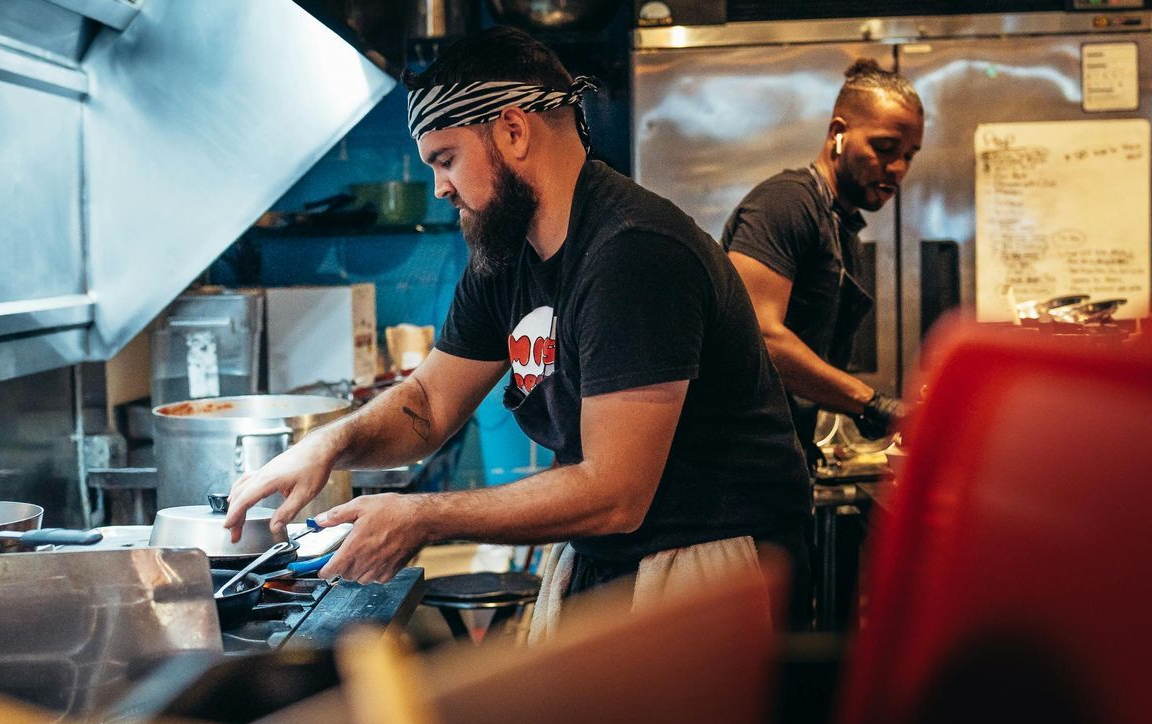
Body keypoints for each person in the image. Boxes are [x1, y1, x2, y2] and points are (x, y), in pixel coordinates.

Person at [221, 27, 811, 626]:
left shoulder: (634, 253)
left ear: (512, 129)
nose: (439, 187)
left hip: (710, 570)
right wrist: (328, 444)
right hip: (612, 560)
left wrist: (421, 515)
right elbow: (428, 403)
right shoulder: (508, 253)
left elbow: (615, 493)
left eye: (446, 159)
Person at [723, 59, 924, 455]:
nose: (897, 168)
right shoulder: (785, 204)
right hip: (735, 467)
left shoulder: (839, 221)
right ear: (838, 133)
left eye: (909, 155)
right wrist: (871, 404)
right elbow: (759, 336)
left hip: (781, 451)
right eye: (884, 148)